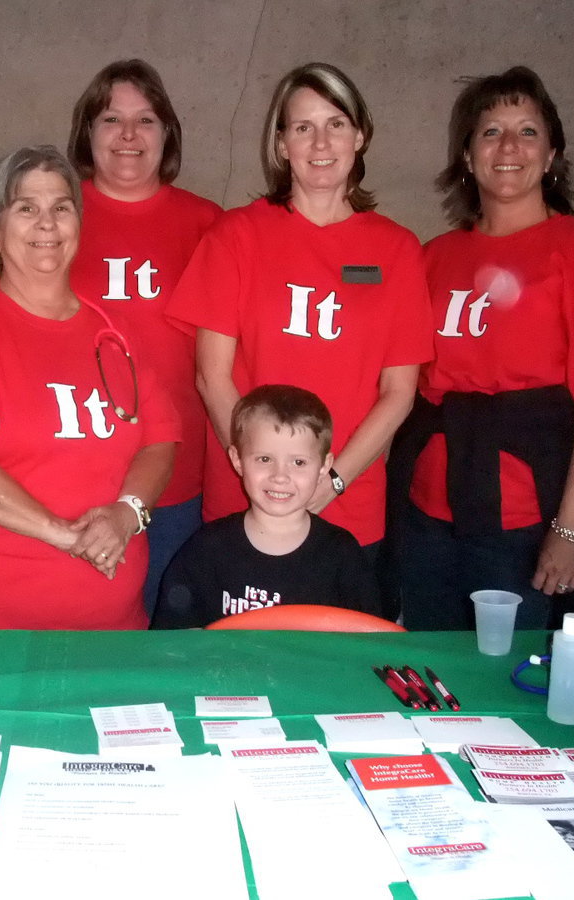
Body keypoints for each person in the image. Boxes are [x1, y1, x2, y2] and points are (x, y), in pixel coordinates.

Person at [388, 66, 574, 631]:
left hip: (523, 520)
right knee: (433, 673)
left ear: (552, 153)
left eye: (527, 131)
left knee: (510, 680)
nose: (509, 146)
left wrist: (572, 528)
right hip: (424, 513)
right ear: (467, 156)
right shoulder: (433, 256)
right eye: (490, 131)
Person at [167, 63, 432, 615]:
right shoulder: (234, 236)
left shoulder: (398, 249)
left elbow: (399, 392)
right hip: (246, 504)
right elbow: (211, 375)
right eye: (302, 126)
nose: (320, 142)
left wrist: (331, 481)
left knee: (342, 684)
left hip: (350, 503)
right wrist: (258, 473)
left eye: (336, 124)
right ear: (281, 143)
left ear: (360, 136)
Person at [0, 145, 180, 629]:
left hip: (110, 624)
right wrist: (67, 536)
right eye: (26, 208)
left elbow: (159, 439)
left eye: (62, 207)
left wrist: (126, 515)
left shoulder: (117, 332)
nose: (47, 224)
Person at [67, 59, 221, 618]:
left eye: (146, 120)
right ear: (87, 132)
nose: (128, 135)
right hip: (73, 474)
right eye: (111, 118)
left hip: (179, 478)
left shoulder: (208, 224)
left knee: (169, 638)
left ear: (168, 134)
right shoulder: (55, 214)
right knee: (85, 641)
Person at [153, 385, 379, 629]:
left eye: (299, 462)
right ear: (237, 460)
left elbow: (367, 646)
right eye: (264, 459)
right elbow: (173, 642)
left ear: (324, 467)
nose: (280, 476)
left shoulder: (342, 556)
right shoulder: (206, 550)